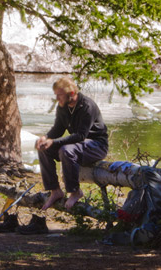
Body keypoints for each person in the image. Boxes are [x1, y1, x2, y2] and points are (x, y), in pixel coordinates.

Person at [35, 76, 108, 211]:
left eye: (60, 95)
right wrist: (45, 138)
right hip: (79, 146)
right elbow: (58, 129)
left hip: (97, 146)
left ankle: (75, 191)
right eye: (56, 95)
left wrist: (53, 142)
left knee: (66, 150)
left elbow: (81, 135)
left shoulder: (87, 106)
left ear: (72, 94)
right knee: (43, 148)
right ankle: (55, 190)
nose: (57, 99)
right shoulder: (63, 106)